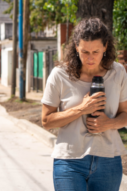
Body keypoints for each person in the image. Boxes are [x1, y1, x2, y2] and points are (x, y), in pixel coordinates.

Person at [41, 18, 127, 191]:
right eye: (84, 52)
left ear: (105, 46)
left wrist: (108, 123)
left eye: (95, 51)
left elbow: (125, 114)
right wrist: (82, 108)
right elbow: (46, 121)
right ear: (75, 47)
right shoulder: (59, 75)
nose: (90, 58)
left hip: (108, 162)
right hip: (69, 162)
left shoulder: (118, 72)